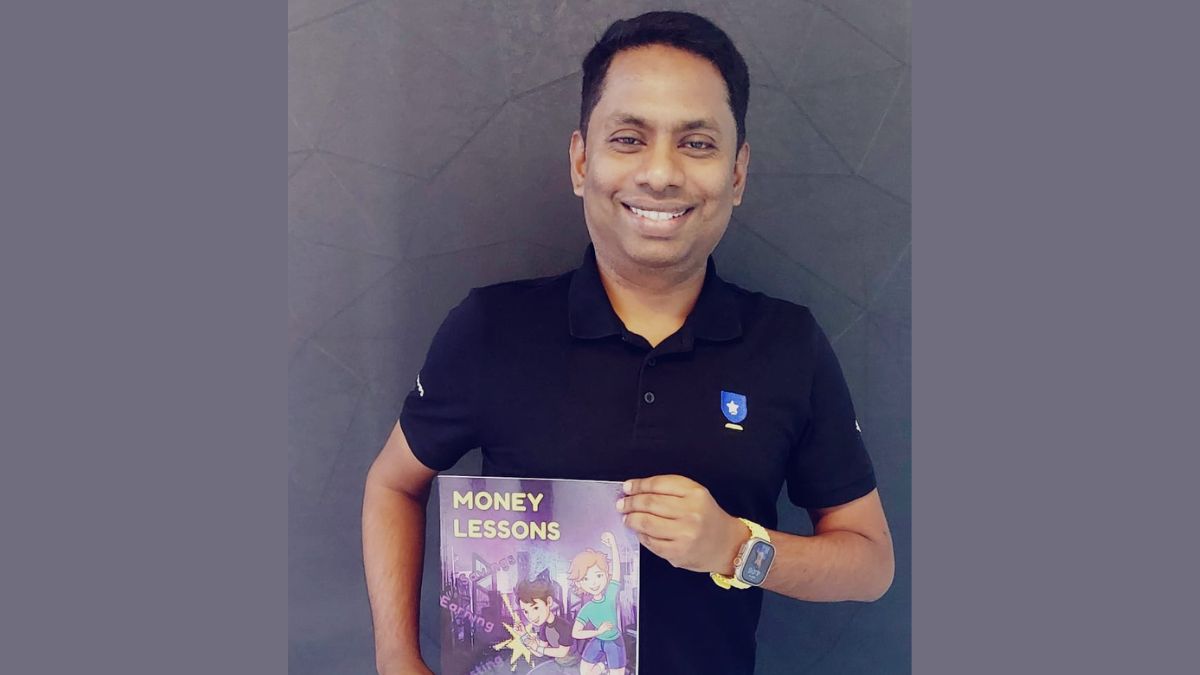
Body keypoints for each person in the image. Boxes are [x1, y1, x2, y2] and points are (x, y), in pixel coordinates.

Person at [363, 11, 894, 675]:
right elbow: (393, 484)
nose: (661, 173)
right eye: (629, 138)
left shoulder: (789, 346)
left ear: (737, 173)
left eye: (697, 143)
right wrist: (396, 657)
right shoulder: (490, 329)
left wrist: (737, 548)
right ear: (582, 161)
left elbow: (870, 563)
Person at [569, 532, 625, 675]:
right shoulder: (587, 609)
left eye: (598, 575)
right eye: (586, 579)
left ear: (606, 574)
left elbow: (617, 571)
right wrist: (598, 632)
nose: (593, 583)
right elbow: (576, 633)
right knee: (585, 672)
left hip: (614, 642)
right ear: (579, 583)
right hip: (597, 640)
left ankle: (604, 665)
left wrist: (613, 544)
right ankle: (602, 666)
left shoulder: (610, 595)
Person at [515, 577, 580, 670]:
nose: (531, 616)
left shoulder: (563, 626)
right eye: (526, 611)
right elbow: (539, 653)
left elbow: (562, 652)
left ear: (549, 602)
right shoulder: (543, 627)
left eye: (535, 608)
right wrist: (524, 635)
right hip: (558, 664)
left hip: (573, 665)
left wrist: (536, 647)